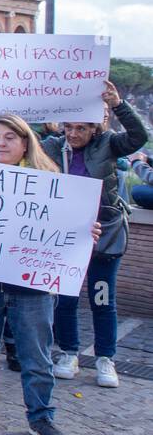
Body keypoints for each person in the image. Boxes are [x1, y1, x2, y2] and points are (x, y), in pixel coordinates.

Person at [0, 114, 101, 435]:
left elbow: (68, 228)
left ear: (25, 142)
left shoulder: (51, 182)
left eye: (9, 138)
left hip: (32, 289)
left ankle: (41, 417)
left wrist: (85, 232)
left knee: (37, 358)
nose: (0, 143)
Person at [42, 81, 147, 389]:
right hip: (67, 237)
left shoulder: (110, 144)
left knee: (102, 297)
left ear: (94, 128)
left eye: (81, 129)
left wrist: (118, 105)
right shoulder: (51, 146)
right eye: (69, 127)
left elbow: (139, 137)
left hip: (106, 235)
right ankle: (69, 353)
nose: (73, 134)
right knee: (66, 298)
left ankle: (105, 358)